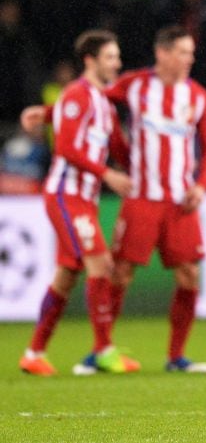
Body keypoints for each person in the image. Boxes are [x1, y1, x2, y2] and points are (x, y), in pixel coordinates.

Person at [18, 30, 139, 376]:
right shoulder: (78, 94)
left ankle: (34, 353)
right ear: (91, 60)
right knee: (101, 265)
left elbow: (121, 149)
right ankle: (103, 350)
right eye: (110, 57)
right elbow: (67, 148)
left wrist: (144, 171)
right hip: (65, 195)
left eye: (117, 57)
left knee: (67, 276)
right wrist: (108, 175)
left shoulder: (103, 104)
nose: (117, 64)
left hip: (84, 199)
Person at [101, 25, 206, 374]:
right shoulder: (134, 85)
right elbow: (94, 101)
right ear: (162, 54)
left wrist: (202, 186)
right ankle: (102, 349)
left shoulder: (198, 96)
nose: (189, 59)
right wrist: (117, 153)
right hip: (141, 197)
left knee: (189, 276)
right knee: (121, 273)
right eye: (182, 52)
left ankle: (176, 356)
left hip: (180, 200)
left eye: (191, 53)